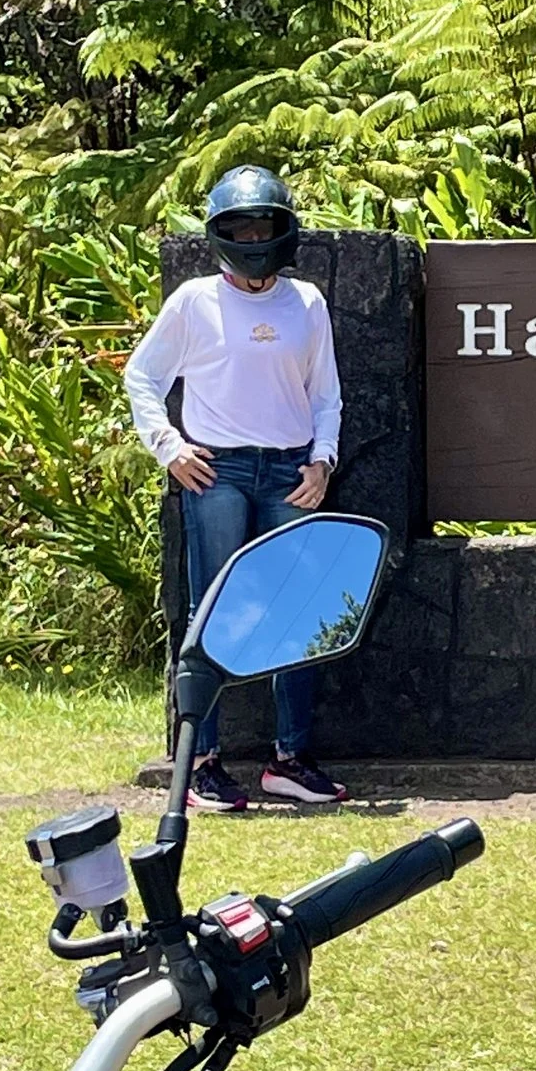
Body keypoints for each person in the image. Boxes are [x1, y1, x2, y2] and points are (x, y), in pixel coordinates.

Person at [122, 166, 348, 810]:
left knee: (298, 614)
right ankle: (202, 763)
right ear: (219, 233)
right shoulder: (193, 302)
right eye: (240, 226)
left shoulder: (306, 303)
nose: (254, 237)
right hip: (215, 472)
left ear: (285, 229)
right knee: (213, 611)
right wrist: (169, 448)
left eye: (264, 224)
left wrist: (322, 461)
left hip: (288, 473)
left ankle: (290, 760)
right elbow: (143, 378)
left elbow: (325, 394)